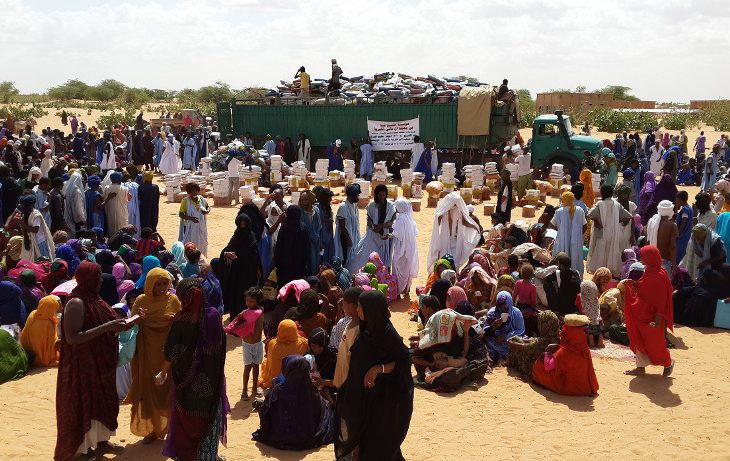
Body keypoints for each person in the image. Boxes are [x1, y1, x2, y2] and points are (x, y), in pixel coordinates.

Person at [54, 261, 134, 461]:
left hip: (100, 363)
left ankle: (100, 441)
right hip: (82, 366)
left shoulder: (95, 299)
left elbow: (104, 324)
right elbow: (72, 338)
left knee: (102, 401)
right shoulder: (76, 303)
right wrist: (108, 327)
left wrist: (122, 325)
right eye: (97, 277)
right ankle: (83, 449)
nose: (100, 280)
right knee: (85, 403)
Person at [334, 291, 413, 461]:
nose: (358, 309)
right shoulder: (366, 330)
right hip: (366, 399)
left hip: (385, 402)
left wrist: (379, 368)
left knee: (378, 446)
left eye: (360, 307)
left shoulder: (387, 333)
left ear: (371, 309)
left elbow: (404, 361)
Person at [158, 278, 230, 461]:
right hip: (212, 381)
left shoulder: (181, 319)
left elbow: (171, 351)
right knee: (210, 418)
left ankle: (188, 454)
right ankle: (207, 456)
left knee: (186, 418)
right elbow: (220, 345)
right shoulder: (213, 316)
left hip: (186, 383)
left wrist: (163, 372)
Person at [124, 267, 181, 443]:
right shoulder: (141, 300)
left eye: (165, 283)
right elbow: (129, 325)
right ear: (150, 285)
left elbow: (182, 322)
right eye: (158, 284)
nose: (163, 287)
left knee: (169, 390)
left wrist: (175, 319)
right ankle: (151, 431)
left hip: (168, 355)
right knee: (148, 390)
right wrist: (138, 318)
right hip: (147, 354)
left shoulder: (173, 299)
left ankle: (171, 430)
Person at [252, 355, 333, 450]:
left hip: (279, 435)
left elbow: (266, 412)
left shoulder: (278, 390)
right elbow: (319, 412)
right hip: (305, 435)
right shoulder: (310, 391)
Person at [624, 245, 675, 377]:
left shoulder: (660, 275)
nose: (641, 258)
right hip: (641, 313)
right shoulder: (648, 271)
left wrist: (658, 318)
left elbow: (661, 299)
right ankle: (640, 367)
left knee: (655, 344)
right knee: (638, 339)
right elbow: (643, 291)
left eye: (644, 256)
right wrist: (634, 285)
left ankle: (668, 363)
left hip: (653, 318)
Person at [531, 314, 599, 396]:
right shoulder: (584, 348)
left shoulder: (564, 352)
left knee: (539, 364)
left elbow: (548, 367)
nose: (562, 332)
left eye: (564, 330)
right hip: (586, 388)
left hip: (568, 388)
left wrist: (547, 353)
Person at [220, 213, 261, 320]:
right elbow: (226, 249)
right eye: (241, 225)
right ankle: (236, 317)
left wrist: (258, 268)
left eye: (244, 225)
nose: (242, 227)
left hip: (249, 272)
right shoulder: (236, 235)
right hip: (237, 272)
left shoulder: (251, 236)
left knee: (249, 294)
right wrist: (227, 254)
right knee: (237, 294)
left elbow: (256, 254)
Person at [347, 184, 396, 272]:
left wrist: (382, 226)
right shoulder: (371, 205)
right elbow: (369, 220)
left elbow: (393, 223)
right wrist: (373, 226)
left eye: (384, 195)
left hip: (384, 238)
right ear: (376, 194)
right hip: (372, 236)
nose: (382, 197)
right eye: (380, 195)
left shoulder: (391, 207)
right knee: (363, 256)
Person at [427, 192, 481, 270]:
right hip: (445, 240)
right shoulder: (443, 212)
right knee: (444, 260)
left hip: (456, 241)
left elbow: (464, 222)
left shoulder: (459, 211)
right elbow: (437, 222)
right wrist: (439, 216)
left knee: (455, 262)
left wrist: (475, 227)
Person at [587, 185, 631, 275]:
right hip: (613, 234)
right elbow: (629, 216)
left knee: (600, 253)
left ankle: (600, 273)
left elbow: (589, 214)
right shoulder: (617, 205)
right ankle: (608, 273)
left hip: (601, 234)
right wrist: (618, 221)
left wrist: (597, 222)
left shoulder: (600, 204)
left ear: (602, 193)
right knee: (611, 252)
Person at [507, 310, 560, 377]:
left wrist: (512, 344)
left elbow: (527, 348)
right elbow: (534, 342)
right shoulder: (557, 336)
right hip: (545, 364)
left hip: (536, 368)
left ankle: (512, 364)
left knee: (515, 341)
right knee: (519, 339)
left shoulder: (547, 340)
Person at [258, 319, 309, 388]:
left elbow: (269, 362)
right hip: (294, 381)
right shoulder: (302, 344)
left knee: (266, 362)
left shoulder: (272, 344)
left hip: (274, 381)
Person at [550, 192, 587, 276]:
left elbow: (551, 225)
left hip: (562, 241)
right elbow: (585, 226)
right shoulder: (580, 210)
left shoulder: (559, 211)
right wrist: (578, 237)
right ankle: (576, 278)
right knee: (575, 260)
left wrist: (561, 231)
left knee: (562, 258)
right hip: (576, 242)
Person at [482, 291, 525, 361]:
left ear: (510, 302)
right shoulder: (493, 313)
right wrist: (493, 327)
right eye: (501, 304)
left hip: (509, 342)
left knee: (520, 343)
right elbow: (485, 331)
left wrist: (506, 336)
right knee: (487, 343)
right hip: (494, 342)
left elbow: (520, 330)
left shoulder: (516, 313)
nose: (503, 307)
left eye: (505, 303)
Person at [19, 295, 61, 366]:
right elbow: (48, 344)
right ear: (50, 307)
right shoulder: (47, 323)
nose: (59, 308)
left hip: (29, 353)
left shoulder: (33, 313)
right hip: (42, 357)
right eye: (57, 306)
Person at [274, 205, 311, 286]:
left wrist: (276, 262)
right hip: (299, 265)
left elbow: (279, 246)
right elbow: (307, 248)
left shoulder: (284, 227)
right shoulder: (303, 228)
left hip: (284, 266)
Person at [390, 198, 419, 295]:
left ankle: (398, 290)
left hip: (400, 248)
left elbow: (397, 234)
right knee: (407, 267)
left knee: (398, 267)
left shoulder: (401, 219)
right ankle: (406, 288)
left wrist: (388, 236)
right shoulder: (410, 219)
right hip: (410, 248)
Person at [646, 200, 678, 275]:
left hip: (651, 260)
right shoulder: (672, 225)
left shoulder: (651, 222)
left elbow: (647, 241)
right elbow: (672, 247)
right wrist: (674, 265)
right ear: (670, 210)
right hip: (665, 261)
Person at [19, 194, 55, 261]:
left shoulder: (36, 215)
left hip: (40, 242)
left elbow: (35, 230)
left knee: (43, 262)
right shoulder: (26, 214)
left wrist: (23, 225)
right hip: (31, 241)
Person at [178, 183, 209, 256]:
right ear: (188, 192)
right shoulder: (185, 201)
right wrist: (191, 218)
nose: (194, 193)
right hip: (189, 227)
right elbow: (181, 214)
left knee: (201, 242)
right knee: (189, 243)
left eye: (195, 191)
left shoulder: (202, 199)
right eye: (192, 191)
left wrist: (207, 211)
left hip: (200, 226)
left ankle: (200, 257)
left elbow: (208, 207)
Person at [334, 184, 361, 265]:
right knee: (345, 257)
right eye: (357, 195)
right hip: (346, 237)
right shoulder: (343, 207)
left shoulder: (354, 205)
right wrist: (348, 239)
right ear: (351, 196)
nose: (358, 197)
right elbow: (342, 226)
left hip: (353, 236)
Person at [298, 190, 322, 276]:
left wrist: (320, 241)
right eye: (302, 200)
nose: (304, 202)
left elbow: (319, 226)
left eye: (306, 199)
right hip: (305, 241)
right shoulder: (299, 212)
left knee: (316, 260)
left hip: (316, 240)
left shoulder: (316, 210)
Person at [103, 172, 130, 237]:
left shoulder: (106, 188)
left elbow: (104, 198)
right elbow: (128, 199)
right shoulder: (124, 189)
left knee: (111, 228)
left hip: (110, 212)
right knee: (122, 228)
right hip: (122, 212)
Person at [315, 188, 336, 265]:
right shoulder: (316, 208)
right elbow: (315, 223)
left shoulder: (328, 208)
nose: (330, 199)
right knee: (321, 255)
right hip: (320, 237)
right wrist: (325, 221)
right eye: (329, 197)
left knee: (329, 255)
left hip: (328, 236)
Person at [63, 170, 86, 236]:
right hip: (77, 219)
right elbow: (79, 207)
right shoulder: (77, 192)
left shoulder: (68, 188)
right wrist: (84, 220)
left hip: (69, 215)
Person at [675, 191, 693, 264]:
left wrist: (677, 234)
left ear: (680, 200)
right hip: (687, 235)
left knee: (679, 255)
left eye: (677, 200)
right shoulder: (689, 208)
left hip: (682, 236)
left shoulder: (685, 210)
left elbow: (683, 223)